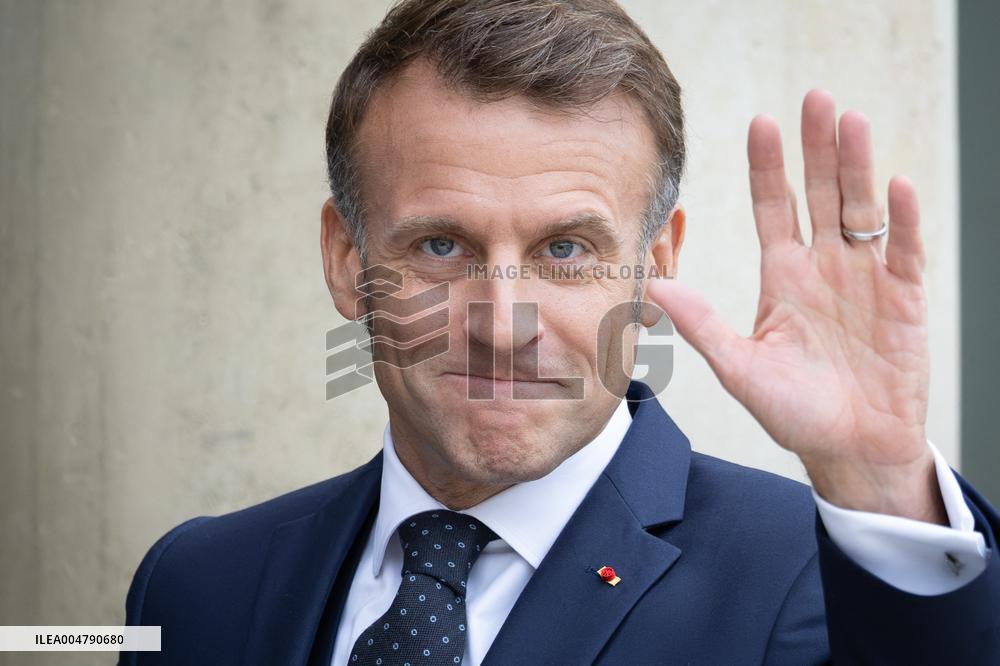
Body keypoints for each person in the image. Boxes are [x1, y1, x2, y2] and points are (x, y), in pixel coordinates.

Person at [120, 1, 999, 664]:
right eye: (440, 244)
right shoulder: (195, 583)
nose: (503, 327)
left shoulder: (806, 580)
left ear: (655, 263)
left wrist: (880, 487)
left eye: (566, 250)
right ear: (348, 259)